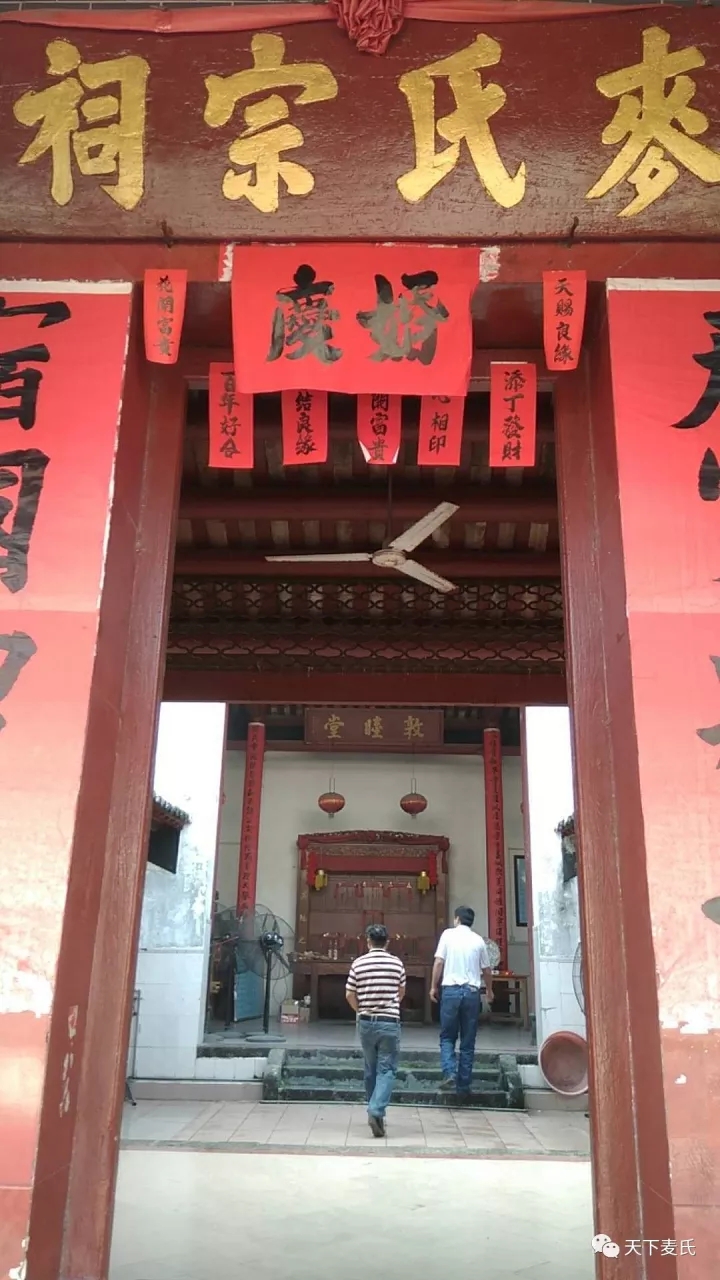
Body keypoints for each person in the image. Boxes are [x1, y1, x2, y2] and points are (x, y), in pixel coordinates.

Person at [346, 923, 406, 1137]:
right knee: (387, 1069)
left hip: (366, 1023)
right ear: (387, 941)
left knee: (371, 1069)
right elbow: (401, 992)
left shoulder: (358, 963)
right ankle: (376, 1110)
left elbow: (349, 993)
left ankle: (375, 1112)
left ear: (368, 941)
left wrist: (361, 1009)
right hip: (389, 1022)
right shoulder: (397, 963)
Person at [430, 906, 493, 1097]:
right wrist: (489, 990)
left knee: (447, 1037)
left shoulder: (448, 935)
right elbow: (487, 969)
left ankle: (449, 1072)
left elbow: (439, 962)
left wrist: (434, 986)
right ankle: (464, 1087)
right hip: (472, 993)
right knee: (468, 1041)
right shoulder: (478, 940)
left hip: (450, 991)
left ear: (457, 919)